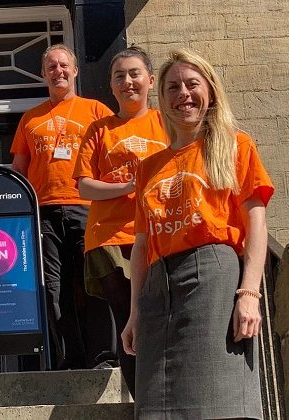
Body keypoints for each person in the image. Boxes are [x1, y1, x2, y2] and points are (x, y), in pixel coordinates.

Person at [121, 48, 274, 418]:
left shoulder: (235, 146)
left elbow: (256, 223)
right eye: (172, 87)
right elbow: (142, 246)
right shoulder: (149, 168)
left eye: (192, 84)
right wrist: (135, 312)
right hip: (157, 289)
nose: (183, 95)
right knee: (156, 408)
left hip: (213, 280)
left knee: (218, 400)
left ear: (211, 92)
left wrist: (249, 293)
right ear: (162, 99)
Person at [10, 43, 115, 370]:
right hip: (45, 212)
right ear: (43, 74)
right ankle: (69, 358)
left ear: (75, 70)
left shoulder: (96, 111)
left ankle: (104, 357)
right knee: (53, 288)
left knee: (95, 282)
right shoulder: (30, 118)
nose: (58, 71)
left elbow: (115, 156)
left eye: (64, 65)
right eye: (51, 67)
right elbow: (18, 168)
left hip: (88, 207)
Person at [73, 46, 167, 396]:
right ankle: (143, 404)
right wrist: (129, 185)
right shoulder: (99, 129)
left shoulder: (166, 123)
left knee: (158, 317)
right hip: (109, 237)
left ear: (151, 80)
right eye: (119, 76)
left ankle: (161, 398)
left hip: (160, 234)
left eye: (134, 74)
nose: (127, 82)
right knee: (130, 317)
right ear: (110, 86)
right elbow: (84, 185)